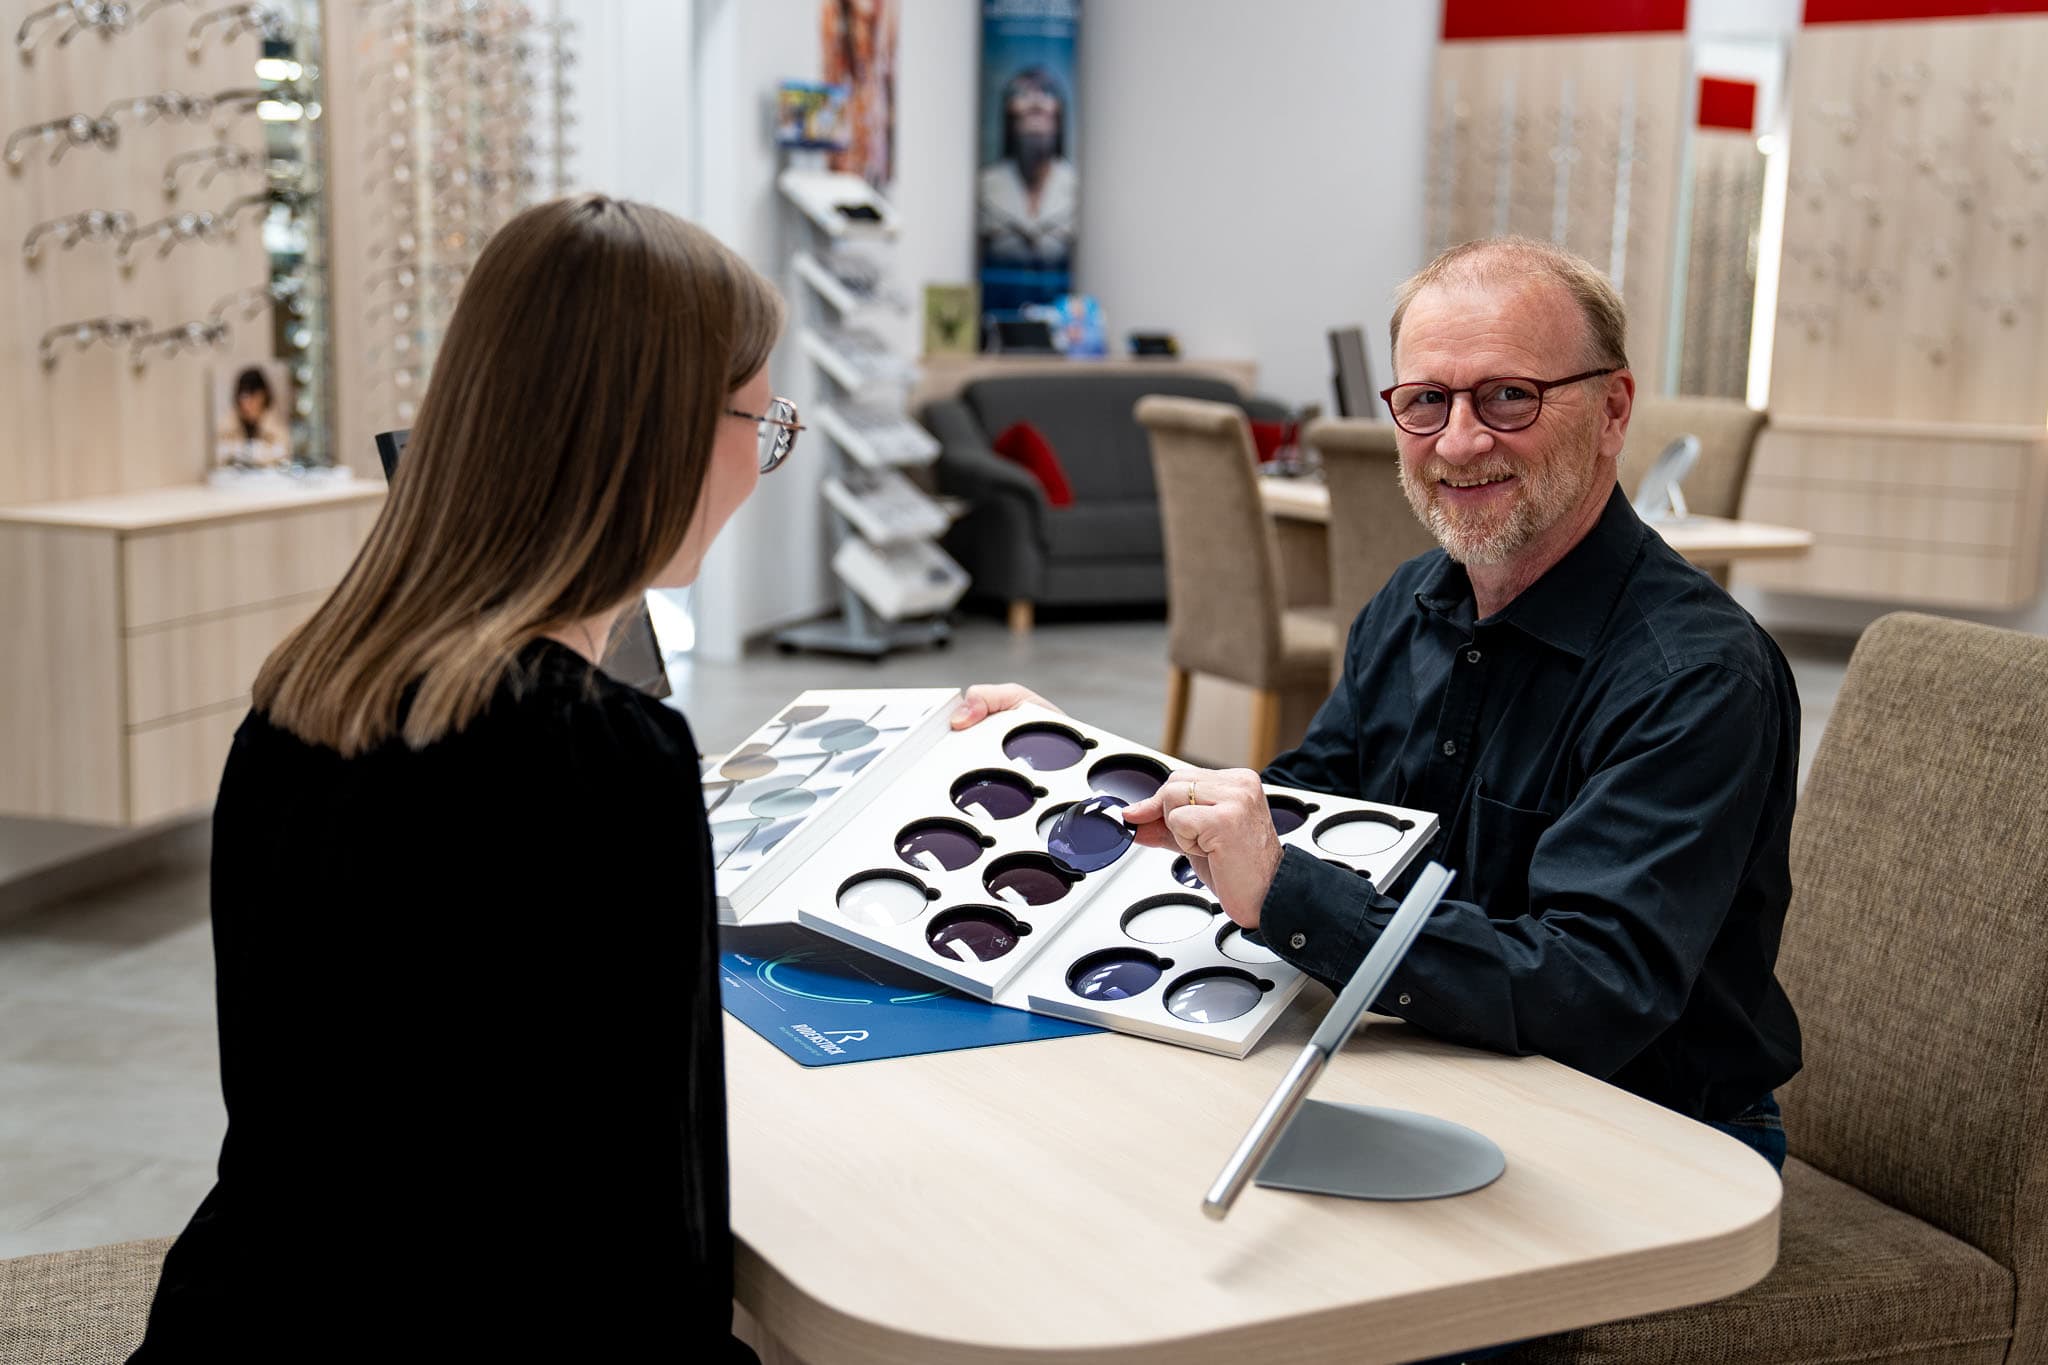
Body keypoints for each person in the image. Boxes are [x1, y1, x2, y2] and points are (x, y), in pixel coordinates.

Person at [954, 236, 1801, 1174]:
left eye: (1508, 395)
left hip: (1653, 1129)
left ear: (1612, 410)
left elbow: (1590, 991)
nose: (1459, 442)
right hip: (1442, 1059)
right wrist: (1070, 762)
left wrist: (1290, 895)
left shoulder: (1695, 677)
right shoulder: (1409, 605)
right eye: (1427, 401)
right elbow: (1301, 805)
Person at [130, 195, 794, 1362]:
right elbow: (648, 1247)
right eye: (761, 419)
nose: (762, 458)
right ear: (664, 435)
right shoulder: (600, 756)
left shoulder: (303, 695)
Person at [976, 66, 1078, 267]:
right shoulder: (983, 187)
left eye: (1046, 92)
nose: (1036, 102)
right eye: (1023, 93)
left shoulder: (1079, 189)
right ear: (1009, 115)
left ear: (1059, 116)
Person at [213, 365, 289, 468]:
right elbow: (218, 454)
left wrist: (251, 453)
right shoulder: (228, 424)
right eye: (244, 396)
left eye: (254, 396)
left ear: (264, 396)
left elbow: (283, 454)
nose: (248, 402)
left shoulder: (274, 425)